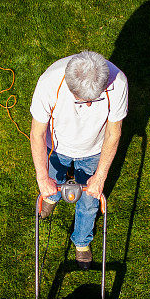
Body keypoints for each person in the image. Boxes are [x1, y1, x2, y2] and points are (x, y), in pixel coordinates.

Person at [30, 51, 128, 268]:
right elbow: (36, 133)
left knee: (89, 201)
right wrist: (42, 178)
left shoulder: (118, 83)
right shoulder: (49, 82)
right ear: (70, 88)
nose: (91, 106)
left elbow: (114, 133)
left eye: (96, 99)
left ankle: (82, 241)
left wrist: (100, 176)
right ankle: (51, 199)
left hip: (94, 150)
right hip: (56, 146)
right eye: (84, 101)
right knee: (53, 179)